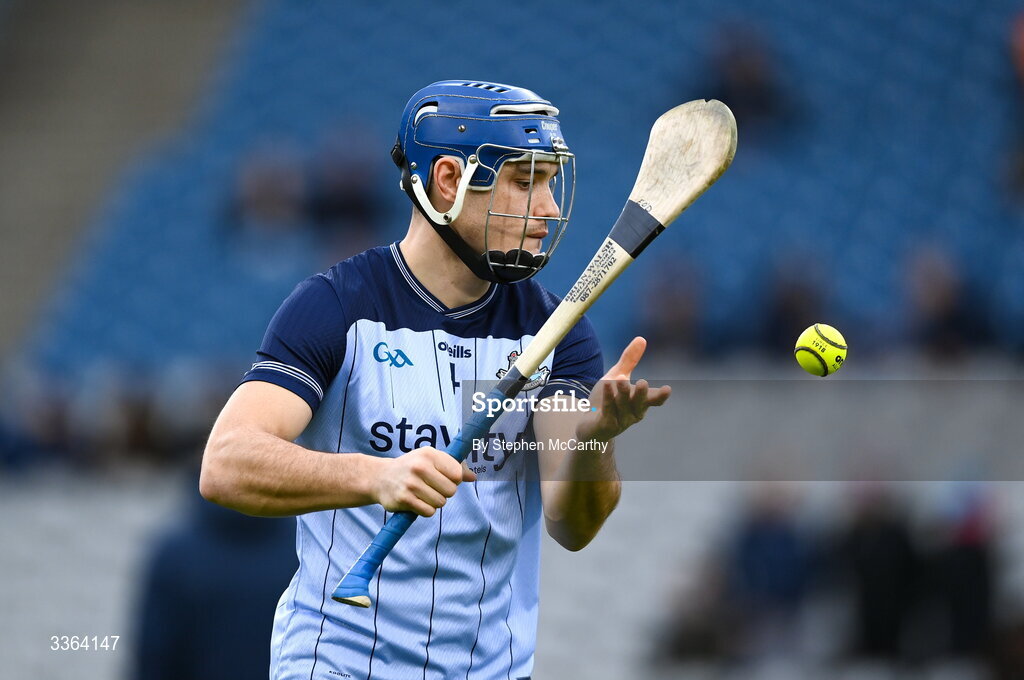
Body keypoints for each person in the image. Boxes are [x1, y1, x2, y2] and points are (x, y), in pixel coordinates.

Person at [200, 80, 670, 680]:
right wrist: (376, 475)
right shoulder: (336, 307)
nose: (549, 209)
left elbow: (573, 523)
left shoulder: (560, 334)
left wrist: (594, 441)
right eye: (525, 182)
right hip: (338, 665)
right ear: (448, 180)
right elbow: (227, 464)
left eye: (551, 182)